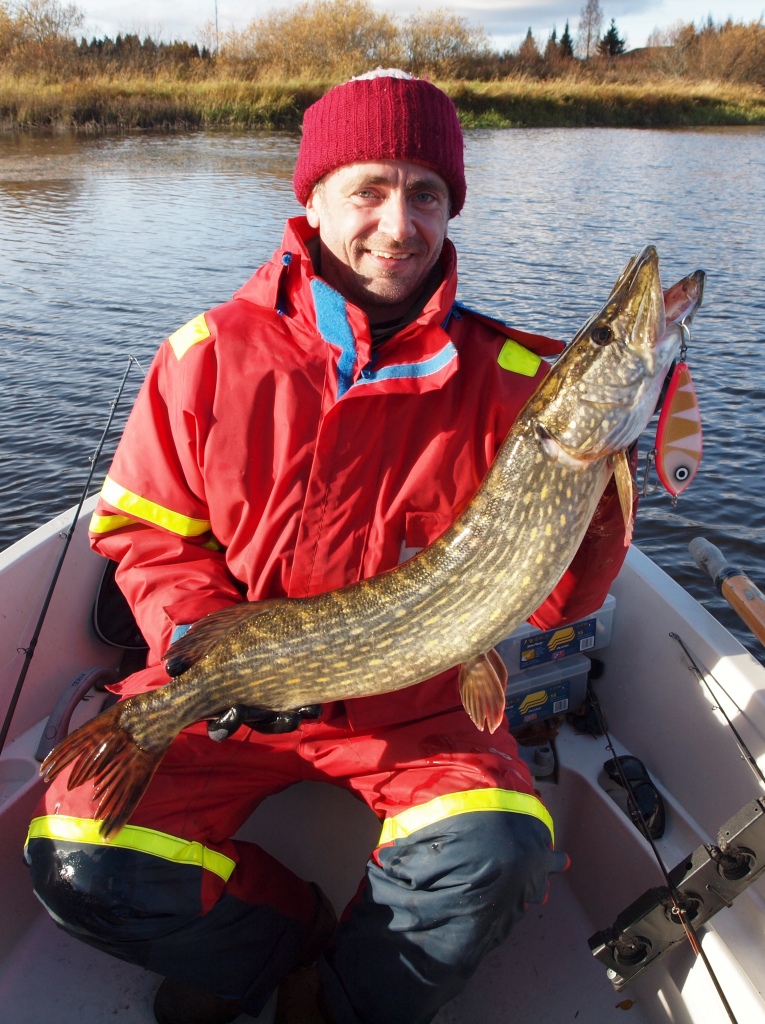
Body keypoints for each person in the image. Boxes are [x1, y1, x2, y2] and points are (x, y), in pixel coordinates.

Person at [25, 70, 631, 1024]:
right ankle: (279, 938)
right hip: (233, 690)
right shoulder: (207, 354)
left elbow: (556, 603)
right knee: (78, 856)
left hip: (424, 706)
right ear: (311, 201)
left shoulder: (519, 381)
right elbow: (147, 535)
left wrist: (604, 483)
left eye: (425, 193)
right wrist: (206, 646)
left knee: (500, 854)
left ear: (450, 210)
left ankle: (336, 1000)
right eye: (368, 190)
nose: (399, 224)